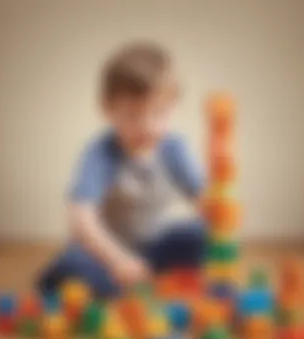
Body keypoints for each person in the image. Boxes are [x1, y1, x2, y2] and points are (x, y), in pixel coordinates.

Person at [37, 41, 206, 298]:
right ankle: (118, 288)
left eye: (160, 113)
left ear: (174, 106)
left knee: (199, 236)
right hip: (105, 251)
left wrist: (221, 213)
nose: (148, 126)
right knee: (72, 264)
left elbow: (205, 200)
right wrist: (118, 261)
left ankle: (141, 281)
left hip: (153, 248)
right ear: (108, 109)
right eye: (133, 115)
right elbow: (81, 219)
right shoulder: (101, 153)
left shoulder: (174, 148)